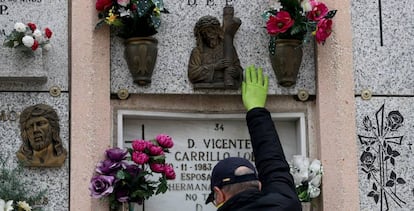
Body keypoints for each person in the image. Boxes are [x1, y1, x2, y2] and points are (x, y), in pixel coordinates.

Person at [205, 65, 302, 210]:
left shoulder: (286, 201)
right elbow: (274, 166)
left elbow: (275, 169)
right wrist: (256, 110)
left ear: (219, 195)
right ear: (260, 186)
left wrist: (256, 111)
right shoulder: (287, 204)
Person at [188, 15, 243, 89]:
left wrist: (236, 72)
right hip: (204, 89)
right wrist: (214, 66)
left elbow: (238, 68)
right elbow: (192, 74)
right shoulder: (197, 52)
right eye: (204, 33)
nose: (208, 35)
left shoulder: (228, 49)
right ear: (201, 36)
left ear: (217, 31)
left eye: (211, 31)